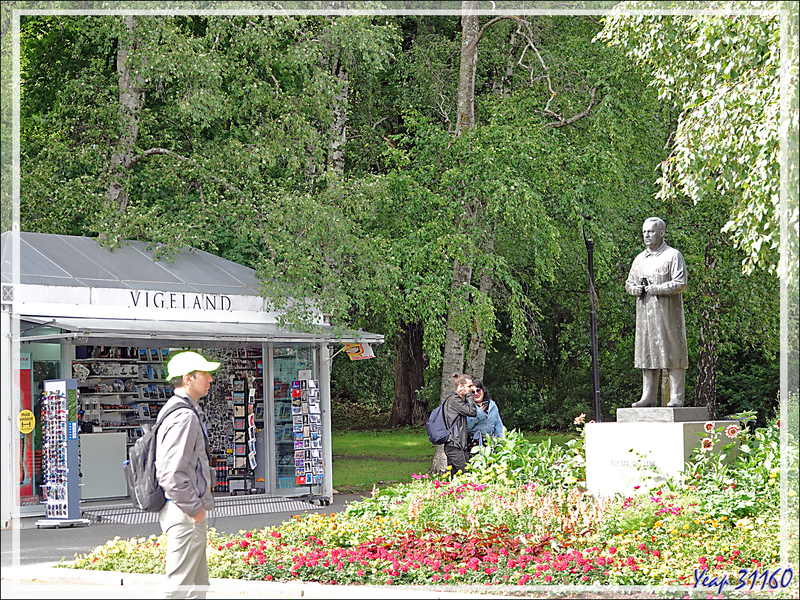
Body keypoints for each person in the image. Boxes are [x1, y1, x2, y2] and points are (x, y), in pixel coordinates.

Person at [157, 351, 220, 599]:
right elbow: (171, 472)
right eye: (205, 373)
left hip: (183, 510)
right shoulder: (184, 416)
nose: (210, 379)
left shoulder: (181, 409)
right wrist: (195, 510)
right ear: (188, 379)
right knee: (178, 588)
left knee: (197, 586)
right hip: (184, 512)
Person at [625, 217, 688, 408]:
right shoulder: (639, 259)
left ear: (661, 233)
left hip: (668, 314)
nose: (646, 235)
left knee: (673, 352)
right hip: (645, 315)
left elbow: (681, 283)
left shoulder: (673, 256)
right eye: (644, 231)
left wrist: (658, 288)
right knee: (646, 354)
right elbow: (629, 282)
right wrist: (633, 289)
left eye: (650, 231)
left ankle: (676, 396)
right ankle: (648, 396)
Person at [442, 373, 478, 476]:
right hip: (455, 445)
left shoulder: (456, 400)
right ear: (461, 387)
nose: (472, 389)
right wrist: (469, 396)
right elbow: (472, 412)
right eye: (469, 386)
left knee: (453, 476)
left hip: (455, 444)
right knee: (466, 474)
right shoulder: (454, 400)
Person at [466, 380, 504, 453]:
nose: (476, 393)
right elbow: (467, 428)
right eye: (473, 392)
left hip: (491, 443)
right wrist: (478, 415)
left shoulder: (493, 406)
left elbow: (498, 426)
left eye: (478, 390)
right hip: (474, 444)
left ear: (483, 391)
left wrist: (502, 444)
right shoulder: (468, 407)